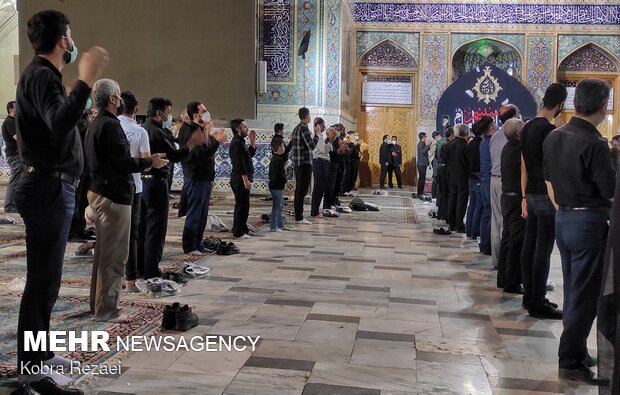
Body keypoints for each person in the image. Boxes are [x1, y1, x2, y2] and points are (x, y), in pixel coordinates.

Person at [14, 9, 109, 392]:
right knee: (42, 280)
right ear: (62, 41)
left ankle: (40, 353)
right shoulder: (40, 75)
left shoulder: (44, 77)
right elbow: (58, 123)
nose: (74, 42)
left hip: (53, 186)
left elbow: (56, 125)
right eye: (70, 36)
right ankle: (30, 367)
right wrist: (86, 80)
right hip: (46, 188)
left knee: (49, 280)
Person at [544, 78, 614, 386]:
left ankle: (578, 351)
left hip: (563, 220)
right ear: (602, 107)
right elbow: (610, 189)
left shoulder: (555, 137)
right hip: (588, 223)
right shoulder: (595, 143)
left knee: (574, 290)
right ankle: (570, 360)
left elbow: (549, 178)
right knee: (583, 297)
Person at [85, 79, 167, 322]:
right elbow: (123, 163)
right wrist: (149, 161)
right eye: (118, 95)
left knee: (103, 254)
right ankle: (107, 309)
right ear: (112, 99)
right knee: (114, 257)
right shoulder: (109, 126)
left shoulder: (96, 123)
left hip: (101, 192)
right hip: (114, 196)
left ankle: (98, 304)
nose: (120, 99)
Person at [521, 83, 567, 319]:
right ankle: (537, 302)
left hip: (530, 192)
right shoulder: (550, 131)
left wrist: (523, 196)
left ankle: (529, 297)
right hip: (545, 194)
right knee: (543, 249)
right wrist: (557, 201)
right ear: (560, 105)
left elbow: (524, 166)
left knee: (530, 245)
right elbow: (551, 170)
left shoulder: (527, 127)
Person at [140, 98, 201, 278]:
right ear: (159, 113)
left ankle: (141, 267)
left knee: (143, 228)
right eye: (168, 112)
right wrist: (191, 143)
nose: (169, 116)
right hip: (156, 183)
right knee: (156, 229)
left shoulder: (143, 129)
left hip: (142, 182)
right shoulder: (157, 132)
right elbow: (174, 155)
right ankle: (151, 269)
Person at [181, 102, 227, 254]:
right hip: (195, 178)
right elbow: (201, 155)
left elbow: (208, 152)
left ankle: (198, 243)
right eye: (204, 111)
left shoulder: (201, 129)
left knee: (202, 214)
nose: (207, 113)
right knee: (194, 214)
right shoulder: (188, 131)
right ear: (196, 115)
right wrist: (218, 141)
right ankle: (189, 246)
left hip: (205, 179)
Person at [117, 91, 151, 292]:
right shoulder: (139, 132)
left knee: (112, 234)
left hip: (109, 188)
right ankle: (131, 279)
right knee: (132, 234)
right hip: (134, 187)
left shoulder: (110, 126)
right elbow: (146, 163)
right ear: (136, 109)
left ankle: (113, 278)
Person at [490, 105, 520, 272]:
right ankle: (505, 263)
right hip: (506, 182)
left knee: (496, 221)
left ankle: (497, 261)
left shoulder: (495, 136)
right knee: (506, 224)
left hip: (493, 180)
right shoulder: (511, 137)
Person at [498, 118, 525, 293]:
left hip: (507, 197)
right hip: (516, 199)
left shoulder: (507, 147)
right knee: (516, 241)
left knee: (507, 239)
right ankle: (512, 282)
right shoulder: (520, 149)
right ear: (518, 133)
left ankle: (503, 278)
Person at [291, 107, 319, 224]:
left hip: (298, 163)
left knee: (299, 190)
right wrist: (317, 134)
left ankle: (299, 215)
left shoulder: (296, 128)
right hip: (304, 163)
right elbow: (312, 145)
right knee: (302, 190)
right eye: (309, 115)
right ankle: (299, 217)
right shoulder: (304, 129)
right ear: (307, 116)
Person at [229, 119, 257, 238]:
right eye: (244, 127)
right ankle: (238, 231)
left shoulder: (241, 142)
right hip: (239, 179)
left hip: (242, 179)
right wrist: (245, 180)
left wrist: (252, 142)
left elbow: (248, 156)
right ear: (237, 129)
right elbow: (240, 164)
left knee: (245, 205)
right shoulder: (236, 143)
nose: (247, 129)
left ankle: (243, 228)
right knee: (241, 206)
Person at [445, 124, 470, 233]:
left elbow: (446, 160)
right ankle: (459, 225)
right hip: (463, 177)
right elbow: (468, 162)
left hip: (451, 176)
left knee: (452, 200)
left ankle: (451, 224)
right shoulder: (466, 146)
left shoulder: (449, 145)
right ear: (466, 133)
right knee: (461, 201)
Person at [478, 116, 497, 256]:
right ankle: (487, 245)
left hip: (485, 180)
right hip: (490, 180)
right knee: (490, 214)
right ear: (491, 127)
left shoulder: (484, 141)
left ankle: (484, 244)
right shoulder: (491, 142)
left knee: (486, 213)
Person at [311, 121, 334, 217]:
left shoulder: (320, 137)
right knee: (318, 188)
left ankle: (315, 210)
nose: (324, 127)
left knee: (320, 188)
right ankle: (314, 211)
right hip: (319, 163)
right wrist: (331, 140)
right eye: (322, 125)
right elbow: (324, 150)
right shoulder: (316, 137)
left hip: (322, 163)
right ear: (316, 126)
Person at [1, 100, 19, 224]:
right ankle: (9, 205)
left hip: (18, 155)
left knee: (19, 179)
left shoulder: (14, 121)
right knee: (15, 179)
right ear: (11, 109)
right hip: (14, 155)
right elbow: (17, 137)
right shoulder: (9, 121)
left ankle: (15, 203)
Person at [465, 124, 483, 240]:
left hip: (470, 177)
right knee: (478, 205)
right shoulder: (481, 144)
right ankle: (474, 231)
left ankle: (469, 230)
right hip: (478, 177)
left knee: (472, 204)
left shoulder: (470, 144)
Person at [436, 128, 454, 224]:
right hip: (445, 169)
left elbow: (436, 156)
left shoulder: (441, 143)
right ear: (451, 135)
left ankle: (441, 214)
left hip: (440, 168)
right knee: (446, 194)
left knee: (442, 193)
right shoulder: (448, 145)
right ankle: (445, 215)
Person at [269, 139, 288, 231]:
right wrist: (285, 179)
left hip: (277, 186)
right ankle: (273, 226)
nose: (284, 148)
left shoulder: (276, 159)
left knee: (280, 206)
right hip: (276, 186)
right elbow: (278, 174)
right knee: (276, 206)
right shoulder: (278, 160)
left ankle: (280, 224)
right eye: (283, 146)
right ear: (280, 148)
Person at [416, 132, 431, 197]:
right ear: (423, 137)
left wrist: (428, 145)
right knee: (421, 179)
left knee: (423, 178)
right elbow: (423, 152)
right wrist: (428, 145)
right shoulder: (420, 144)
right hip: (421, 164)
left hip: (423, 163)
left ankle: (421, 191)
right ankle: (419, 192)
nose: (426, 137)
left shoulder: (423, 143)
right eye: (426, 136)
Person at [429, 131, 441, 198]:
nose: (440, 137)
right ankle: (434, 195)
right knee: (435, 178)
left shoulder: (436, 143)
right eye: (439, 135)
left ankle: (435, 195)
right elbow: (431, 153)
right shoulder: (435, 143)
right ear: (436, 136)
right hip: (435, 161)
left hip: (436, 161)